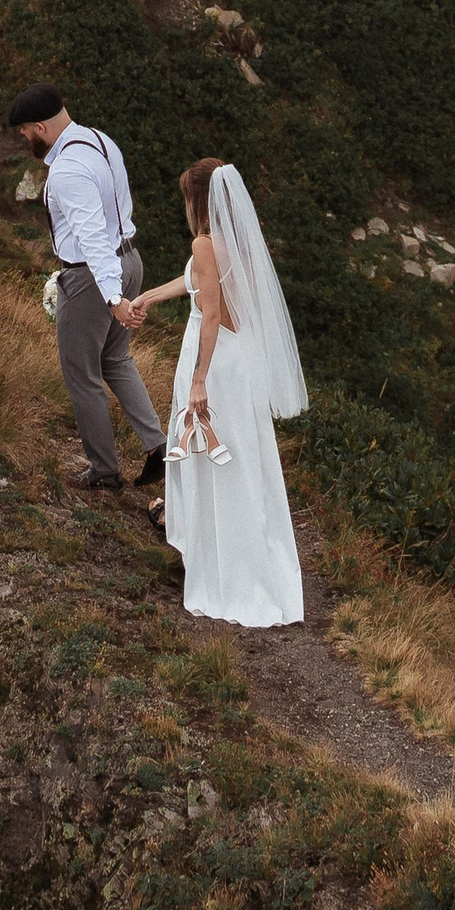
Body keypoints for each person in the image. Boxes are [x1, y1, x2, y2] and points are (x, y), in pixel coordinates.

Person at [127, 157, 305, 628]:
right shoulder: (236, 242)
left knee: (216, 461)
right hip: (238, 361)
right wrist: (149, 297)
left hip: (217, 363)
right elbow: (195, 283)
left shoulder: (204, 243)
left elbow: (209, 314)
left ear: (199, 199)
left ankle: (227, 570)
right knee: (244, 464)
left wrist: (199, 380)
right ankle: (246, 556)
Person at [8, 83, 168, 494]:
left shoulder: (66, 171)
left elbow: (92, 236)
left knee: (81, 373)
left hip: (94, 275)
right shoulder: (99, 139)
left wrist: (112, 297)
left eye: (24, 130)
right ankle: (158, 448)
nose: (24, 138)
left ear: (40, 127)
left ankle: (105, 473)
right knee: (115, 358)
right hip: (130, 258)